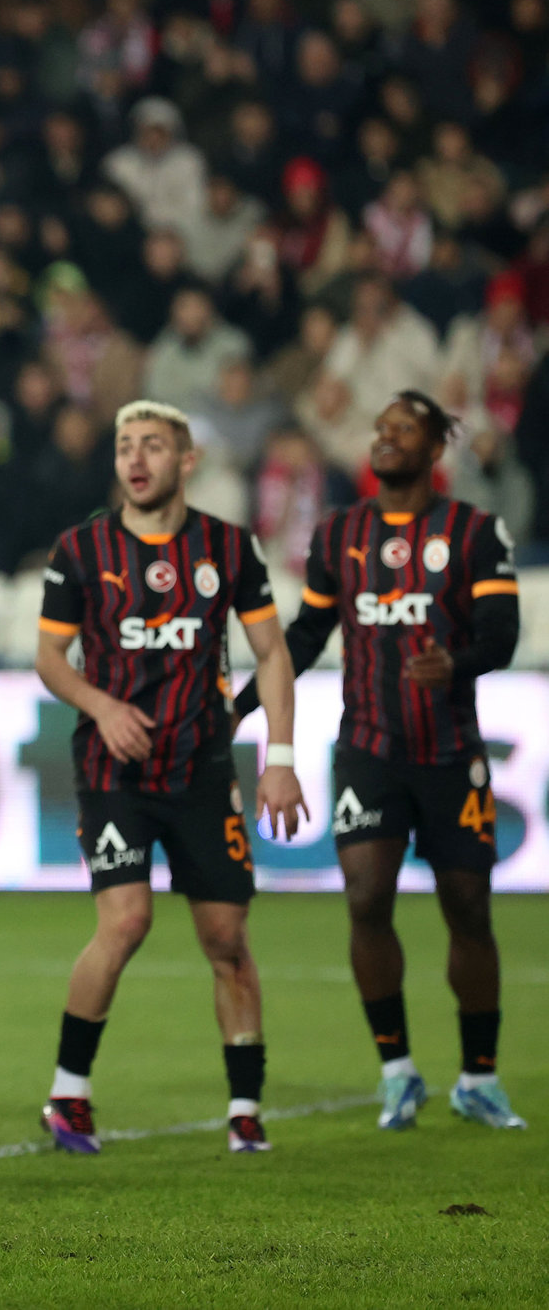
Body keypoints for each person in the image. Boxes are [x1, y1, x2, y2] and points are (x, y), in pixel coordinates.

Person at [234, 392, 525, 1132]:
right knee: (365, 897)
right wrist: (236, 706)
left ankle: (478, 1076)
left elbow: (500, 635)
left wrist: (453, 662)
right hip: (366, 747)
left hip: (450, 750)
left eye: (402, 428)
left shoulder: (474, 532)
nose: (384, 436)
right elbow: (302, 637)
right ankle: (396, 1069)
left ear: (433, 449)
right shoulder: (340, 535)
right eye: (380, 426)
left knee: (466, 908)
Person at [33, 400, 307, 1156]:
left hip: (201, 769)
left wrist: (279, 759)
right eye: (124, 444)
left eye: (152, 444)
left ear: (185, 460)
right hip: (111, 767)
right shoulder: (80, 548)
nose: (135, 457)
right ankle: (67, 1094)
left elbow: (272, 654)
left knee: (224, 937)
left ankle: (244, 1108)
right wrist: (100, 704)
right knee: (124, 921)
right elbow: (50, 658)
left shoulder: (227, 546)